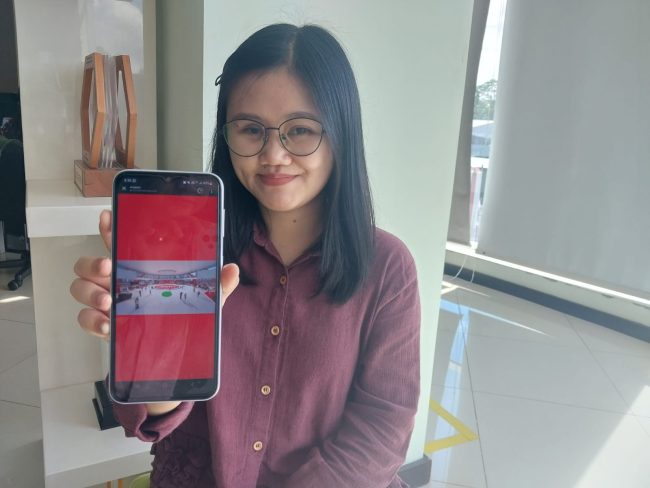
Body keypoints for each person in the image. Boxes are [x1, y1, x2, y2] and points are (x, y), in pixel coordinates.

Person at [70, 23, 420, 488]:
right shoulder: (188, 251)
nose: (274, 154)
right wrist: (151, 350)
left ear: (341, 133)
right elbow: (153, 418)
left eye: (300, 130)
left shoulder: (388, 268)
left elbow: (383, 426)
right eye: (251, 129)